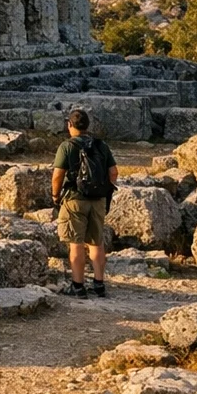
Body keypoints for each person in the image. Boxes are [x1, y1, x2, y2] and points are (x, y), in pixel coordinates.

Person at [52, 108, 118, 298]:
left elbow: (58, 175)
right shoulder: (101, 145)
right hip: (97, 200)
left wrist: (55, 196)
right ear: (88, 126)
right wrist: (105, 189)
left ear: (70, 125)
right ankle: (99, 284)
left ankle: (78, 286)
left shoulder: (67, 146)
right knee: (97, 242)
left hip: (75, 198)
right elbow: (113, 172)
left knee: (76, 243)